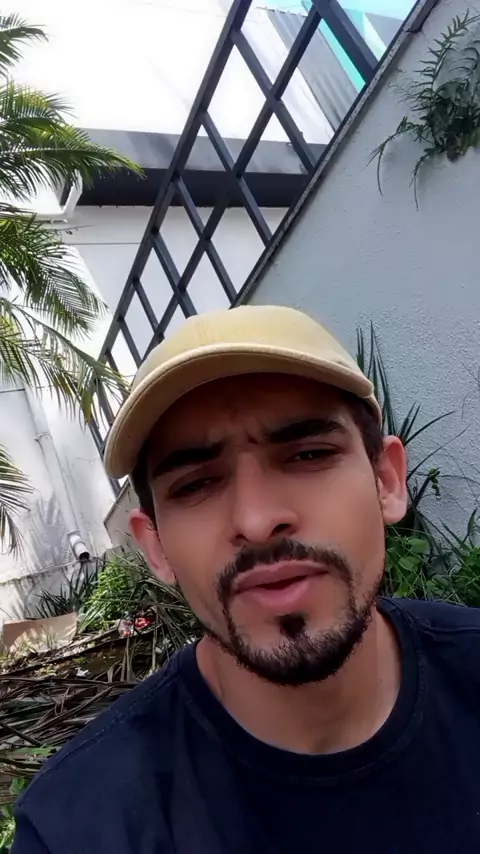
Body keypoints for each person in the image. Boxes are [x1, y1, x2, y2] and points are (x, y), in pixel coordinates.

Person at [11, 305, 480, 854]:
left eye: (309, 454)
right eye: (195, 485)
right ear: (155, 546)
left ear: (387, 481)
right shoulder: (79, 828)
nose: (256, 521)